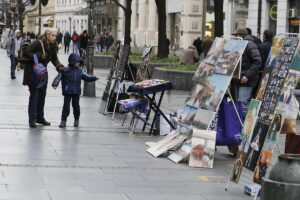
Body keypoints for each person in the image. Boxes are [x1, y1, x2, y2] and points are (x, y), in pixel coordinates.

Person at [23, 28, 65, 128]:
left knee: (42, 96)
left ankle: (40, 118)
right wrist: (38, 56)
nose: (55, 38)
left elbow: (54, 59)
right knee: (34, 96)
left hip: (43, 73)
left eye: (56, 36)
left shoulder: (54, 45)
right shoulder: (38, 43)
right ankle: (32, 120)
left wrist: (59, 66)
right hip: (34, 73)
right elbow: (26, 52)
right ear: (47, 35)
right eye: (53, 36)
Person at [57, 53, 99, 128]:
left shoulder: (80, 71)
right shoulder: (66, 70)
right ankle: (63, 120)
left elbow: (87, 77)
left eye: (79, 62)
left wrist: (94, 77)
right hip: (67, 92)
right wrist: (55, 84)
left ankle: (76, 120)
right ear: (72, 62)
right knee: (66, 107)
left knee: (76, 107)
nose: (79, 63)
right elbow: (58, 77)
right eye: (77, 62)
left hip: (76, 92)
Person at [232, 28, 262, 116]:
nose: (235, 37)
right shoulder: (239, 44)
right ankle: (243, 125)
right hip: (238, 78)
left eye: (236, 35)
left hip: (247, 79)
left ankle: (247, 126)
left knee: (242, 104)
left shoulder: (249, 44)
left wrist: (247, 76)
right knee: (239, 103)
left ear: (240, 36)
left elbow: (258, 61)